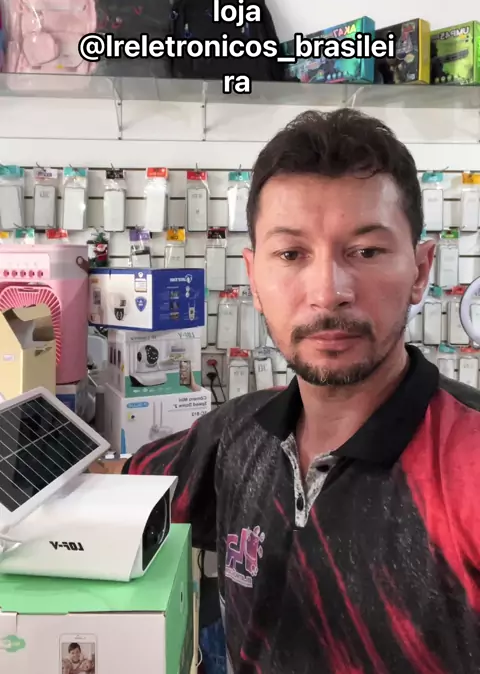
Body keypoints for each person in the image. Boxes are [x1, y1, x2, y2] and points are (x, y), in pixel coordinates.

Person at [91, 108, 480, 673]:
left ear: (421, 270)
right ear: (253, 277)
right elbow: (116, 485)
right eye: (292, 255)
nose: (328, 291)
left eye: (366, 252)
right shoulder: (237, 433)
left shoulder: (468, 461)